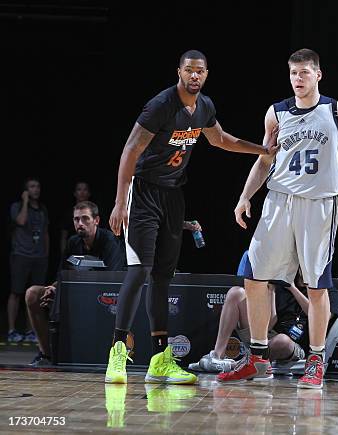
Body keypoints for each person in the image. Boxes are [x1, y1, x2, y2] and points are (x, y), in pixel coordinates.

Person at [104, 49, 279, 385]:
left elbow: (222, 140)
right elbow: (130, 150)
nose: (194, 76)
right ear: (179, 72)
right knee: (139, 270)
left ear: (207, 74)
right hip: (142, 192)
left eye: (200, 71)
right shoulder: (161, 105)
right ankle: (116, 353)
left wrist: (262, 150)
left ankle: (159, 360)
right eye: (189, 71)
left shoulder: (205, 107)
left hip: (173, 195)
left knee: (162, 278)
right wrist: (118, 202)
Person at [218, 48, 338, 389]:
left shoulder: (337, 110)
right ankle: (257, 358)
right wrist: (244, 197)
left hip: (319, 204)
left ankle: (315, 359)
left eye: (304, 73)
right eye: (293, 73)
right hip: (278, 201)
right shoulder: (276, 112)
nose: (297, 79)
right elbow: (264, 160)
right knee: (253, 276)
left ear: (318, 74)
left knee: (316, 284)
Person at [27, 201, 126, 366]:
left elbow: (111, 280)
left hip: (103, 298)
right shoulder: (73, 242)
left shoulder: (109, 241)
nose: (80, 223)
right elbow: (62, 275)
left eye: (85, 219)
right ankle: (46, 354)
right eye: (76, 219)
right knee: (33, 294)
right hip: (73, 293)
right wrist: (54, 288)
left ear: (96, 220)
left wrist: (69, 290)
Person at [191, 252, 310, 373]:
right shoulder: (281, 283)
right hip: (266, 337)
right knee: (236, 293)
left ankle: (235, 366)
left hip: (292, 346)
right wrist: (272, 290)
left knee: (281, 341)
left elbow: (317, 316)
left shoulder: (317, 290)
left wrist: (292, 288)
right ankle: (216, 356)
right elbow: (270, 323)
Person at [7, 178, 50, 343]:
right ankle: (11, 330)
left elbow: (45, 232)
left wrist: (45, 254)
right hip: (21, 255)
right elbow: (21, 221)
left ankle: (31, 330)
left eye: (38, 186)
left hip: (39, 257)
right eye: (32, 187)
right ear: (25, 191)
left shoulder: (42, 209)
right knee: (16, 292)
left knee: (34, 295)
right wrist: (25, 201)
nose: (36, 190)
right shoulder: (17, 207)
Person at [59, 181, 92, 255]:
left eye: (85, 189)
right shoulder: (68, 213)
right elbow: (63, 236)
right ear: (75, 193)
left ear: (89, 193)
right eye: (79, 189)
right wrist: (63, 255)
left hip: (91, 253)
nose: (82, 192)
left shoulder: (94, 213)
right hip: (72, 252)